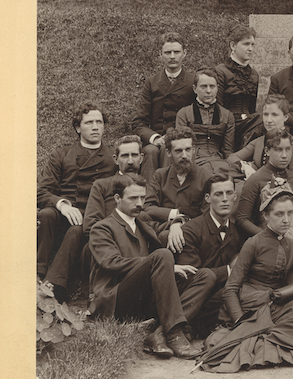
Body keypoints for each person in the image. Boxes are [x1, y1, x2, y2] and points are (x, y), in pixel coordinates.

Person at [197, 182, 293, 372]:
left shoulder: (291, 245)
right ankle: (273, 329)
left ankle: (279, 327)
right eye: (279, 214)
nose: (286, 220)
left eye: (289, 213)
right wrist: (239, 321)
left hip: (280, 302)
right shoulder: (253, 243)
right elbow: (231, 288)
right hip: (252, 304)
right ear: (266, 216)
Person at [88, 174, 212, 359]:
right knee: (162, 255)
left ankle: (160, 332)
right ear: (117, 198)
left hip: (146, 298)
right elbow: (111, 262)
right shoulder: (102, 228)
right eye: (133, 198)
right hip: (118, 299)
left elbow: (168, 225)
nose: (139, 203)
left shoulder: (142, 223)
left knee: (206, 275)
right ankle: (175, 333)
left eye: (143, 198)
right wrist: (163, 265)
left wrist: (177, 224)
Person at [37, 102, 116, 300]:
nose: (96, 127)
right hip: (63, 213)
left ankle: (55, 285)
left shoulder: (112, 158)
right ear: (78, 128)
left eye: (99, 122)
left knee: (76, 228)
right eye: (89, 122)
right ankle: (37, 272)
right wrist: (62, 205)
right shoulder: (62, 154)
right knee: (46, 214)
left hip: (91, 218)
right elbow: (41, 191)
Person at [176, 174, 245, 338]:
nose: (225, 199)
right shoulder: (191, 230)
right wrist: (229, 270)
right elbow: (191, 276)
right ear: (207, 198)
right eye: (218, 194)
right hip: (195, 301)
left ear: (235, 196)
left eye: (229, 193)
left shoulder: (239, 232)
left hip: (224, 298)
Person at [131, 32, 196, 182]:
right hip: (157, 139)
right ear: (161, 55)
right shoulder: (152, 82)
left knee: (173, 150)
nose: (172, 56)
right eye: (167, 52)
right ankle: (146, 196)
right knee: (150, 151)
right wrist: (154, 138)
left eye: (176, 52)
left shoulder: (192, 81)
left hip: (182, 139)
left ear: (184, 54)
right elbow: (138, 122)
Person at [144, 127, 209, 254]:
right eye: (178, 151)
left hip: (194, 235)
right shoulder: (160, 175)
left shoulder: (206, 177)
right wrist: (175, 218)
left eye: (188, 150)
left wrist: (181, 224)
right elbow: (147, 206)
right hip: (163, 229)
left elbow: (207, 217)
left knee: (164, 236)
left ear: (194, 150)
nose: (184, 155)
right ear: (168, 152)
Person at [235, 128, 293, 239]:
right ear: (267, 151)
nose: (284, 155)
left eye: (288, 149)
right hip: (264, 239)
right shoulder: (255, 180)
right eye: (278, 150)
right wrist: (267, 236)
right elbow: (242, 219)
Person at [226, 93, 293, 180]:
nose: (269, 120)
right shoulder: (259, 141)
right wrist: (245, 167)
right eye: (266, 114)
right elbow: (232, 157)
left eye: (274, 115)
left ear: (285, 117)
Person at [175, 67, 236, 176]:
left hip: (219, 162)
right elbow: (181, 145)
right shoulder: (184, 113)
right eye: (203, 86)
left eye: (212, 86)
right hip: (193, 162)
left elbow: (228, 149)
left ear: (217, 88)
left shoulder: (227, 116)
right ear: (194, 89)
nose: (208, 91)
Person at [215, 24, 262, 150]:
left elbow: (251, 108)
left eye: (253, 44)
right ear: (233, 46)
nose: (251, 48)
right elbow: (218, 107)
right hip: (227, 125)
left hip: (249, 124)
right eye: (246, 44)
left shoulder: (254, 75)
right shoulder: (221, 71)